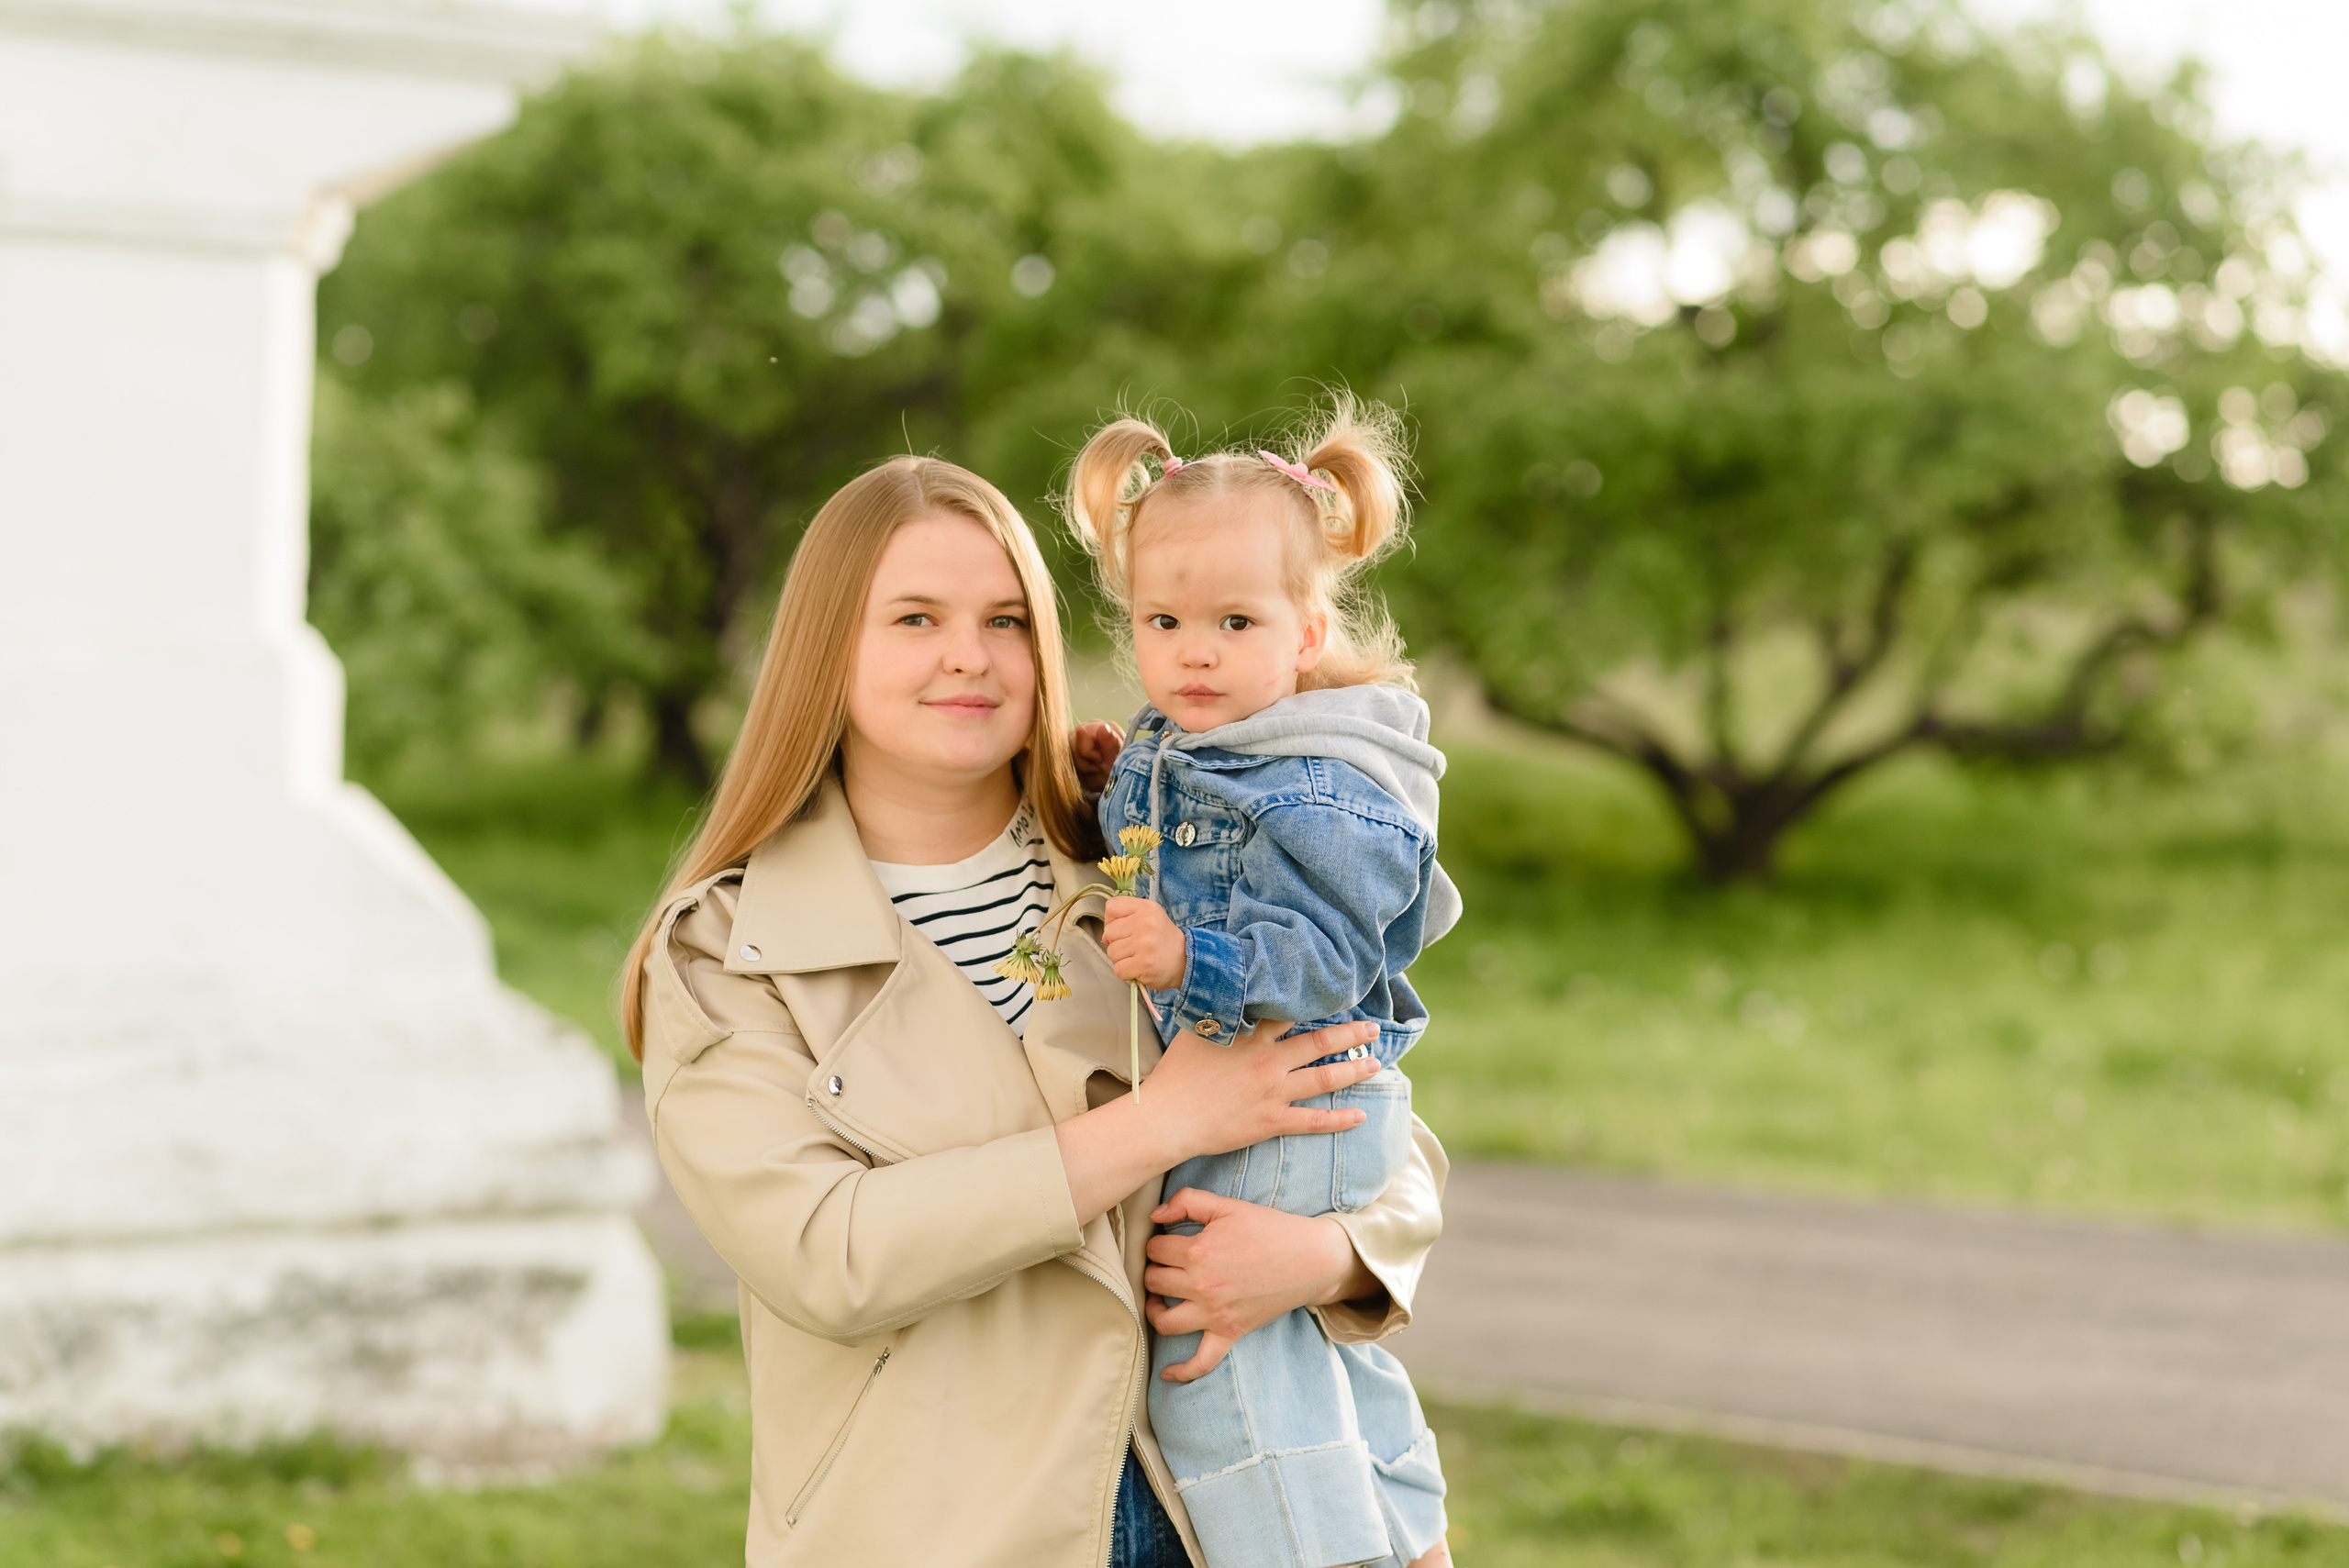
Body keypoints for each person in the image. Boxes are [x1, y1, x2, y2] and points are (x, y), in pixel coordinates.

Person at [619, 453, 1449, 1568]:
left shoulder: (1143, 863)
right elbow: (826, 1251)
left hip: (1221, 1508)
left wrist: (1332, 1254)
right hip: (948, 1529)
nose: (968, 653)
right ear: (830, 647)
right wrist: (1160, 1126)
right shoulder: (729, 949)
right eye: (914, 616)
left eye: (1004, 617)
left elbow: (1365, 1101)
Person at [1060, 396, 1455, 1568]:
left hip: (1295, 1087)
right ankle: (1408, 1541)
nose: (1193, 649)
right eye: (1162, 617)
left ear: (1305, 631)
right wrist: (1113, 784)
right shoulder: (1205, 741)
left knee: (1217, 1380)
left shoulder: (1317, 782)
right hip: (1291, 1092)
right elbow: (1193, 852)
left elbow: (1332, 959)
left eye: (1235, 619)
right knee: (1315, 1355)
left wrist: (1194, 962)